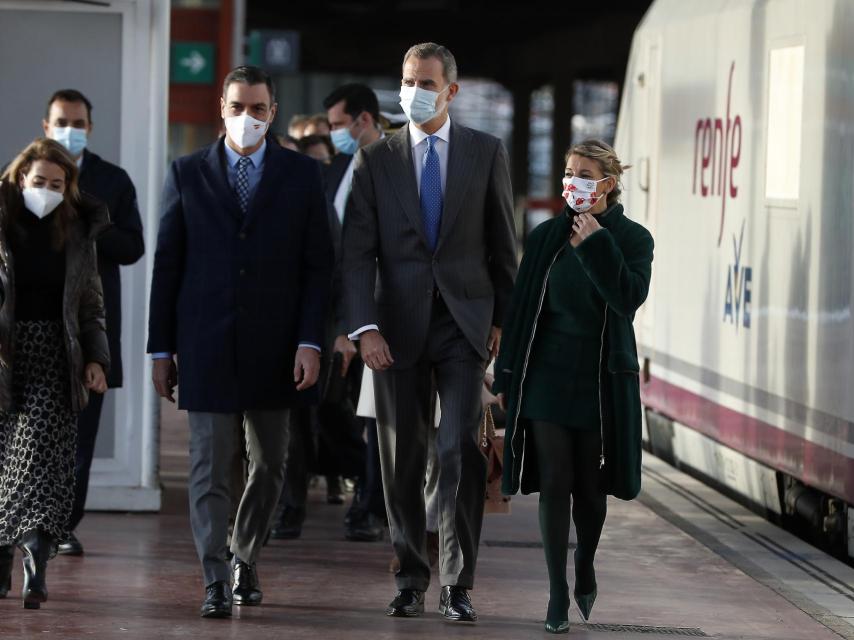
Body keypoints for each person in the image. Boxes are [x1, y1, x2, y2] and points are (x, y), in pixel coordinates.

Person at [147, 65, 333, 619]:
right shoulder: (186, 173)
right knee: (208, 466)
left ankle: (244, 552)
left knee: (271, 462)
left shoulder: (302, 176)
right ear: (221, 109)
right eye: (237, 107)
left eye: (258, 109)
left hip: (277, 347)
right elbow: (167, 264)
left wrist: (310, 341)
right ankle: (213, 578)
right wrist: (161, 348)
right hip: (204, 343)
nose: (247, 118)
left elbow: (317, 266)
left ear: (272, 112)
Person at [342, 42, 517, 622]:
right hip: (394, 330)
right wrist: (364, 327)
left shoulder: (485, 152)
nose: (412, 90)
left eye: (424, 81)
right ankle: (412, 575)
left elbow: (502, 247)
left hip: (464, 326)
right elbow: (357, 253)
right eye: (406, 80)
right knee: (402, 457)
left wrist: (499, 323)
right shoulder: (378, 159)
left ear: (451, 91)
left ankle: (458, 582)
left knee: (459, 449)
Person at [492, 139, 654, 633]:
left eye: (584, 173)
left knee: (589, 487)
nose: (573, 182)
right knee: (555, 482)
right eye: (568, 172)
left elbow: (628, 298)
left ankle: (584, 563)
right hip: (546, 376)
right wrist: (505, 375)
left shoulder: (632, 238)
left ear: (607, 183)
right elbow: (521, 311)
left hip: (599, 380)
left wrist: (596, 246)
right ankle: (557, 593)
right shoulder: (546, 237)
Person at [0, 138, 109, 609]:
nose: (46, 190)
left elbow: (91, 302)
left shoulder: (79, 232)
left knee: (39, 449)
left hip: (55, 352)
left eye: (57, 184)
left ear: (69, 189)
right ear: (21, 178)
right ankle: (13, 548)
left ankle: (34, 554)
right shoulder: (2, 225)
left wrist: (96, 359)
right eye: (39, 181)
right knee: (8, 452)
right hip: (5, 351)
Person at [40, 89, 145, 556]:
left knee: (80, 436)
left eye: (78, 122)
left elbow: (133, 247)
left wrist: (88, 229)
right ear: (46, 126)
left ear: (90, 128)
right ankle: (27, 520)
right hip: (33, 326)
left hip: (89, 329)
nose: (70, 130)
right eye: (62, 121)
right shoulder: (25, 176)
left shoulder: (112, 180)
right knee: (33, 432)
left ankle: (63, 523)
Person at [323, 82, 386, 543]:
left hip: (377, 318)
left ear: (363, 120)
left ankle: (370, 503)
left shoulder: (395, 165)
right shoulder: (340, 168)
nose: (333, 135)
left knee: (375, 417)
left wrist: (356, 325)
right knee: (327, 408)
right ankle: (362, 484)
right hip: (334, 319)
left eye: (338, 125)